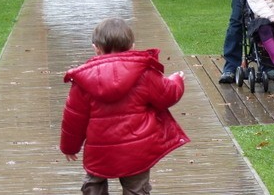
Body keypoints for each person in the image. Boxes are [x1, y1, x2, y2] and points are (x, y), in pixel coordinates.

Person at [60, 17, 190, 195]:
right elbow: (167, 95)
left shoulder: (84, 80)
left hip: (99, 151)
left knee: (94, 183)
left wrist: (69, 147)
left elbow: (74, 119)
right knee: (136, 188)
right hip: (137, 151)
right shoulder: (145, 73)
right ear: (132, 46)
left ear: (96, 49)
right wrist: (177, 80)